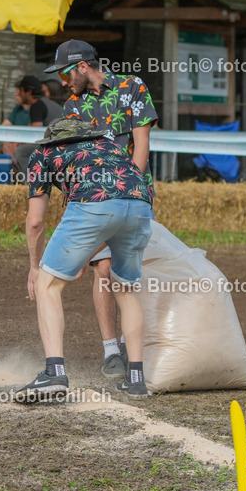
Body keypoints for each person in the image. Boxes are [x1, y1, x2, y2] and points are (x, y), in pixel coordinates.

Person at [44, 39, 158, 381]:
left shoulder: (132, 87)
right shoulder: (72, 110)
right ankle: (112, 351)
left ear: (82, 66)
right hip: (93, 200)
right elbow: (75, 166)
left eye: (65, 73)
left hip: (132, 193)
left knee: (126, 273)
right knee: (103, 267)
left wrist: (131, 186)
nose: (63, 82)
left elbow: (141, 144)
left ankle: (128, 348)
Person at [16, 118, 154, 403]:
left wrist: (35, 267)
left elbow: (35, 222)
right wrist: (81, 258)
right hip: (141, 203)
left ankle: (54, 373)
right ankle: (137, 379)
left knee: (47, 286)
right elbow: (117, 213)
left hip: (93, 204)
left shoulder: (42, 154)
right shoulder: (109, 146)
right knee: (125, 289)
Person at [8, 75, 63, 175]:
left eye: (20, 90)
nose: (19, 94)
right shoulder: (46, 103)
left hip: (57, 145)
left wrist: (19, 143)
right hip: (60, 143)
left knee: (21, 151)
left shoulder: (37, 106)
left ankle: (31, 180)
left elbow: (35, 135)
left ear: (28, 92)